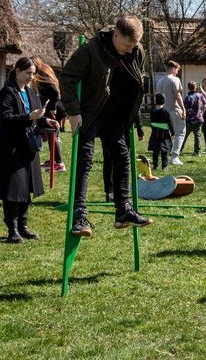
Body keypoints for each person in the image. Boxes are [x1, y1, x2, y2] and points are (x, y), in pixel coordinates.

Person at [59, 16, 151, 237]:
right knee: (85, 162)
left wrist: (133, 115)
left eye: (133, 46)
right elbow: (67, 78)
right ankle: (79, 217)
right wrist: (73, 112)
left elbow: (136, 81)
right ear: (115, 34)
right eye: (127, 45)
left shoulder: (137, 51)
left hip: (116, 117)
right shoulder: (90, 49)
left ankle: (123, 211)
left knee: (122, 158)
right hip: (90, 114)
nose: (130, 51)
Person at [0, 57, 51, 243]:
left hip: (28, 146)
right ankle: (12, 229)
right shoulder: (7, 93)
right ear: (17, 71)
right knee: (13, 190)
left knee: (27, 188)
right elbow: (6, 119)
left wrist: (45, 121)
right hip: (11, 148)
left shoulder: (31, 92)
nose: (31, 77)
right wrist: (29, 116)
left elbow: (35, 117)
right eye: (28, 73)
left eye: (33, 73)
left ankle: (24, 226)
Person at [31, 56, 66, 172]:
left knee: (52, 135)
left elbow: (55, 92)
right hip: (57, 107)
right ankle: (55, 160)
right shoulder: (44, 70)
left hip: (54, 109)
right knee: (52, 135)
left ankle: (59, 163)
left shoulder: (41, 75)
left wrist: (52, 108)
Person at [157, 61, 187, 165]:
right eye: (177, 70)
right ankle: (175, 157)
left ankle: (163, 155)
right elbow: (177, 95)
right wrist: (183, 109)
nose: (177, 73)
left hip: (162, 111)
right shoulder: (175, 79)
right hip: (174, 110)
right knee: (180, 132)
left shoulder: (159, 81)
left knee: (164, 134)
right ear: (174, 69)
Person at [148, 93, 173, 170]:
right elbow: (170, 123)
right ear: (164, 101)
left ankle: (155, 165)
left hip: (155, 133)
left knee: (155, 150)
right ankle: (164, 166)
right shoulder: (166, 112)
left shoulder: (153, 111)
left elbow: (151, 123)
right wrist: (173, 131)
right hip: (164, 134)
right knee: (164, 150)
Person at [184, 81, 205, 156]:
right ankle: (197, 152)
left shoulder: (187, 98)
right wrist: (202, 113)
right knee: (198, 136)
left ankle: (179, 149)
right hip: (199, 119)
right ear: (195, 87)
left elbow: (185, 109)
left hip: (190, 120)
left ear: (188, 88)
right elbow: (204, 105)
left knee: (184, 135)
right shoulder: (200, 96)